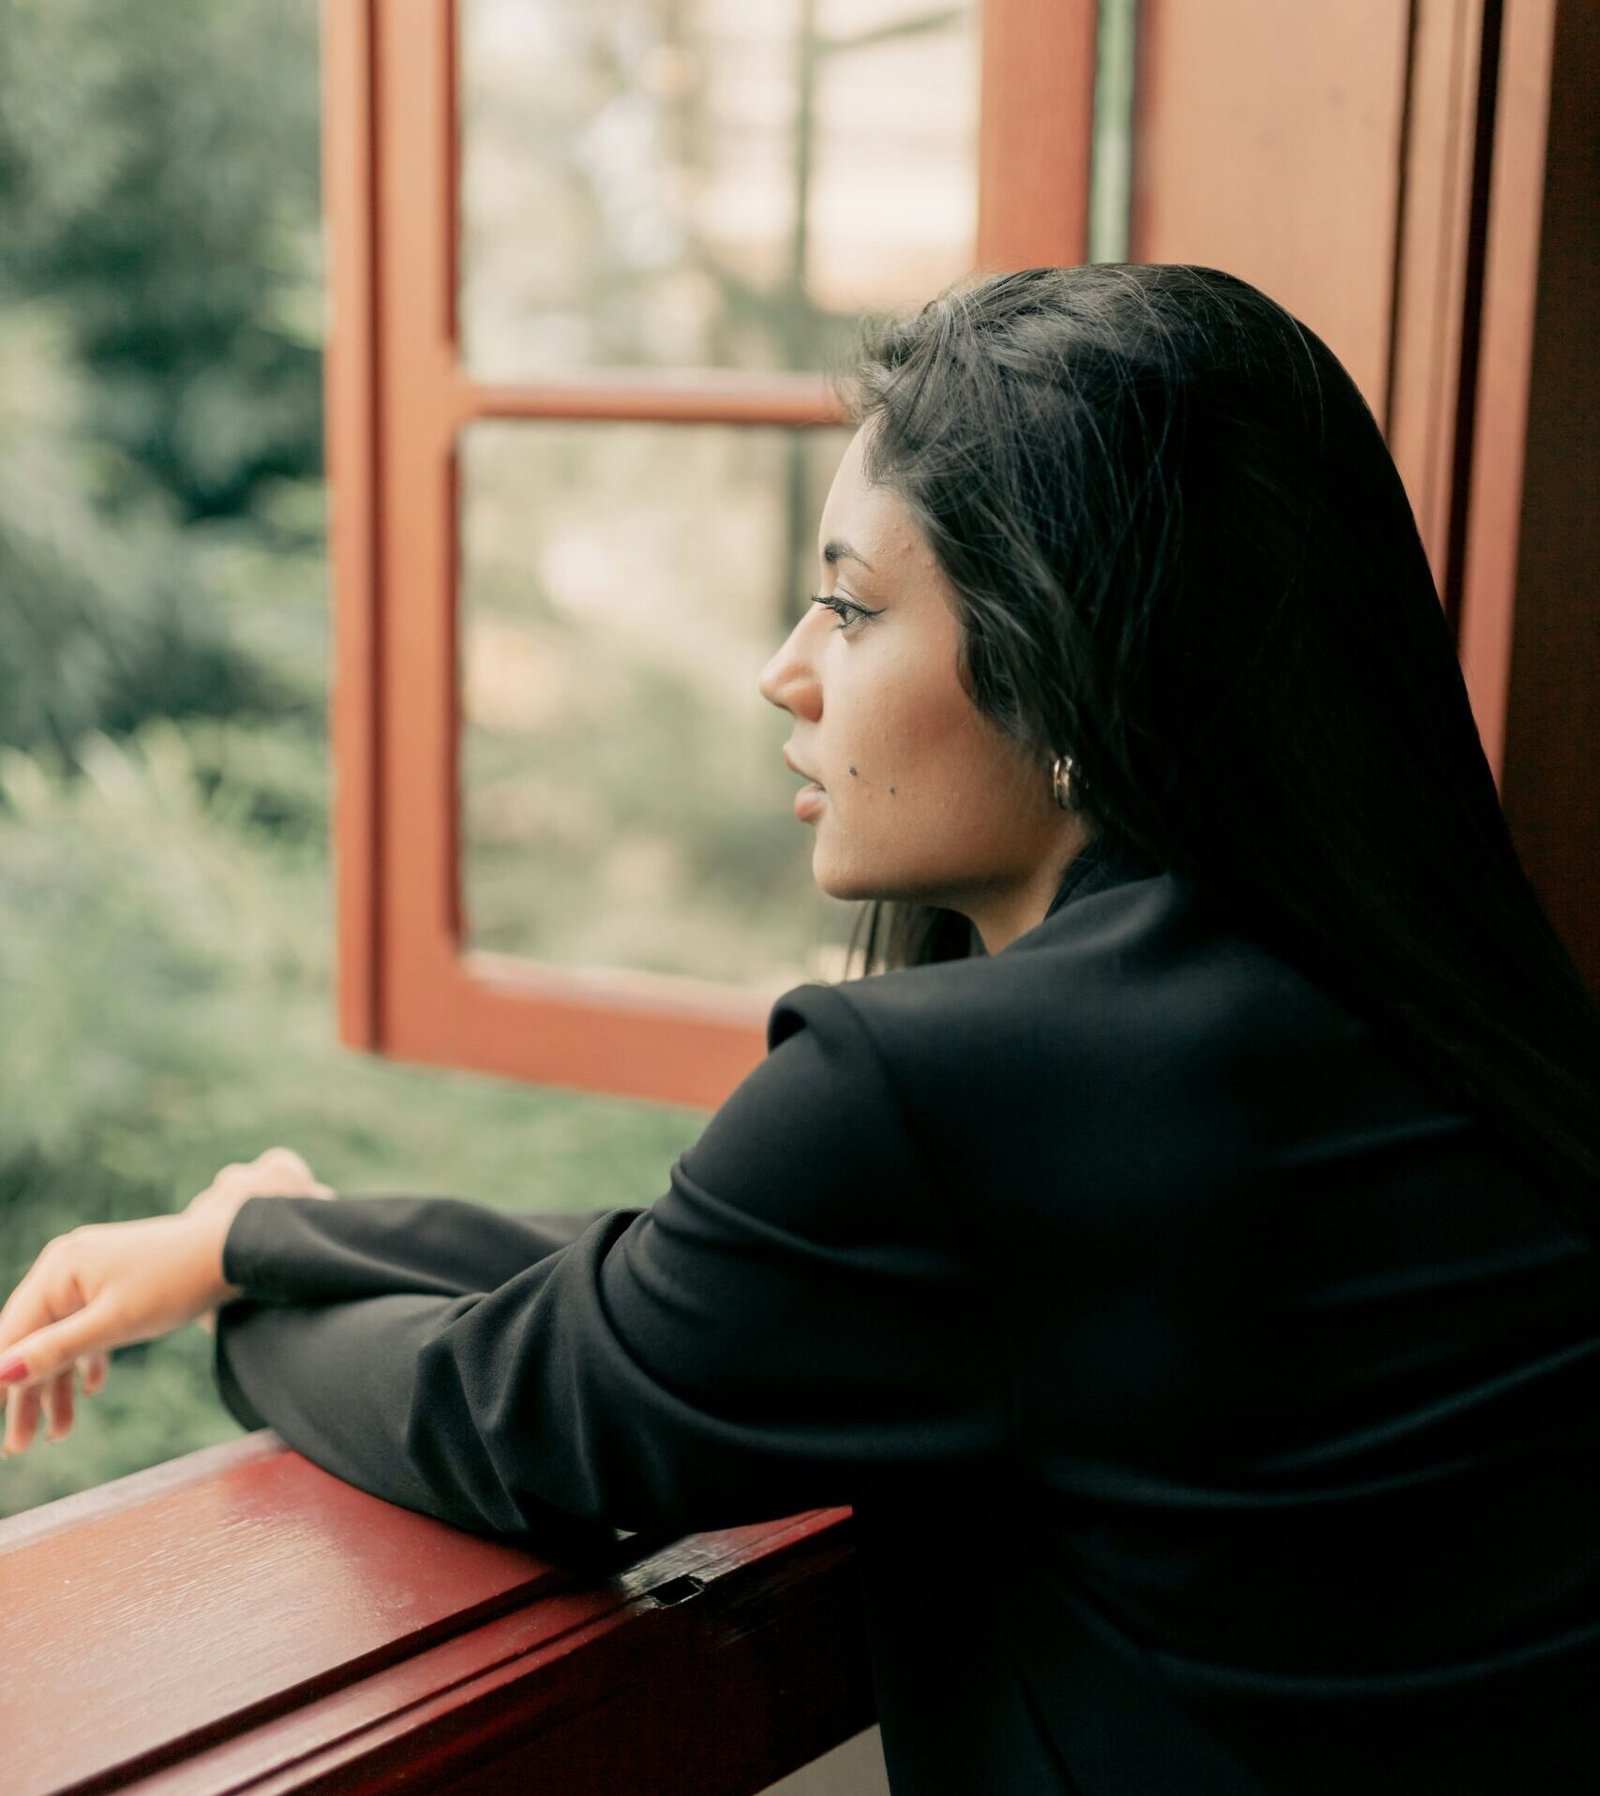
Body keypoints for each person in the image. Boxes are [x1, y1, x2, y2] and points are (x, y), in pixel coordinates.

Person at [3, 264, 1599, 1794]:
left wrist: (242, 1303)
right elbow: (714, 1278)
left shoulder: (954, 1092)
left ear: (1066, 654)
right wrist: (277, 1232)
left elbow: (514, 1426)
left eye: (848, 607)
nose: (784, 673)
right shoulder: (1405, 1002)